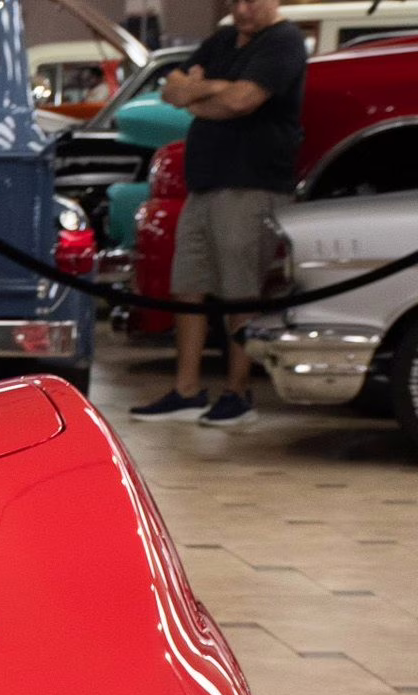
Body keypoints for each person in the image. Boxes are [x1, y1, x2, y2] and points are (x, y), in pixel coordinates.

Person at [129, 0, 305, 427]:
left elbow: (245, 100)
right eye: (236, 1)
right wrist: (207, 92)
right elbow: (172, 89)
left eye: (252, 1)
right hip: (204, 185)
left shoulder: (284, 42)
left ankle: (238, 392)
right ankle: (186, 390)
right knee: (188, 286)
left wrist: (201, 90)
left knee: (239, 291)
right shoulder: (224, 38)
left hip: (252, 186)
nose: (242, 10)